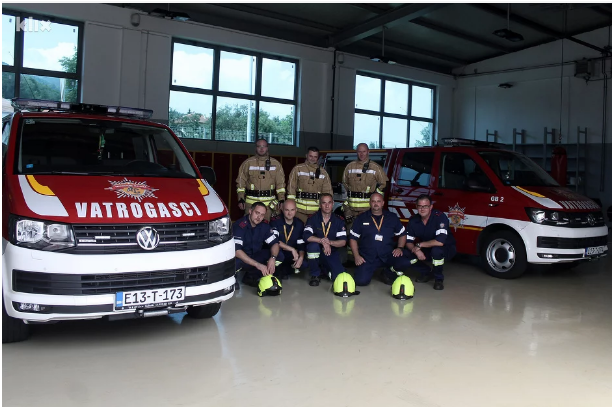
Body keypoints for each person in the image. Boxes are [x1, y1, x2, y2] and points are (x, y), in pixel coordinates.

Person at [349, 193, 409, 286]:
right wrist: (356, 256)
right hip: (367, 257)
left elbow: (402, 234)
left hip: (388, 254)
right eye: (373, 201)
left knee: (404, 262)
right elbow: (353, 238)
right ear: (370, 203)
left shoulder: (392, 217)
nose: (376, 204)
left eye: (378, 201)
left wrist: (400, 248)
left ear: (383, 203)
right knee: (361, 281)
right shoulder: (361, 218)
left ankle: (387, 273)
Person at [405, 194, 457, 291]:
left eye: (425, 206)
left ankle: (438, 279)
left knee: (436, 251)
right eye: (420, 206)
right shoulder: (413, 220)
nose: (422, 209)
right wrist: (415, 250)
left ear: (431, 207)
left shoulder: (439, 217)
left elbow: (440, 242)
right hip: (426, 248)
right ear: (416, 207)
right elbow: (408, 241)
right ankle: (427, 272)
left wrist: (420, 245)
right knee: (406, 252)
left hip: (446, 248)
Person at [233, 201, 284, 288]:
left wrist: (273, 258)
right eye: (257, 213)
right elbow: (237, 251)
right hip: (242, 258)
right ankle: (232, 278)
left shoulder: (264, 226)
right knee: (234, 262)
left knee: (279, 255)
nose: (259, 217)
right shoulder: (239, 226)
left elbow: (275, 243)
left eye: (262, 215)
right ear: (250, 211)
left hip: (255, 256)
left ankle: (252, 276)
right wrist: (258, 265)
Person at [236, 138, 286, 221]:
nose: (261, 149)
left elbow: (280, 184)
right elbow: (241, 182)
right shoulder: (247, 163)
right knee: (250, 225)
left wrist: (281, 199)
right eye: (259, 146)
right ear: (255, 148)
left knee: (268, 227)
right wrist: (241, 198)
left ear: (267, 148)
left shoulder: (276, 164)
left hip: (269, 205)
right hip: (251, 204)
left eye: (264, 146)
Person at [303, 193, 347, 287]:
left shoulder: (339, 220)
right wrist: (322, 241)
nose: (327, 206)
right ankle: (315, 275)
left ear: (333, 204)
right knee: (312, 247)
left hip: (331, 252)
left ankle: (324, 271)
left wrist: (329, 242)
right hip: (317, 251)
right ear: (320, 205)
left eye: (329, 203)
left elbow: (343, 242)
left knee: (338, 275)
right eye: (324, 203)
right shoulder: (313, 218)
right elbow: (306, 236)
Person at [342, 143, 388, 228]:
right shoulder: (349, 167)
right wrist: (346, 209)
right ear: (356, 152)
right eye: (359, 151)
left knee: (367, 234)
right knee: (351, 234)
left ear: (368, 152)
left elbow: (384, 185)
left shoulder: (375, 167)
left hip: (368, 211)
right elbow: (344, 187)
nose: (362, 154)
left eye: (364, 151)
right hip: (351, 212)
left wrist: (374, 197)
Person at [286, 146, 333, 224]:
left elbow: (327, 192)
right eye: (311, 156)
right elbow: (291, 188)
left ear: (318, 158)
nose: (313, 159)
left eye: (315, 157)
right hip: (299, 211)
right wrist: (291, 207)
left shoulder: (323, 172)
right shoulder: (297, 169)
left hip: (316, 212)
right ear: (306, 155)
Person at [270, 200, 305, 280]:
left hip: (290, 254)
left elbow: (301, 244)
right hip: (278, 252)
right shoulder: (275, 221)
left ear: (296, 210)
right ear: (282, 209)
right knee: (280, 256)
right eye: (287, 210)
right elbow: (275, 241)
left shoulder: (299, 224)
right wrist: (292, 249)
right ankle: (277, 272)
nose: (289, 213)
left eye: (292, 210)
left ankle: (286, 270)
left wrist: (301, 257)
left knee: (304, 264)